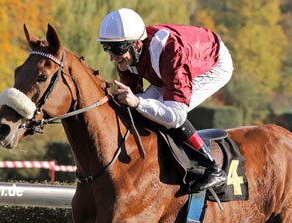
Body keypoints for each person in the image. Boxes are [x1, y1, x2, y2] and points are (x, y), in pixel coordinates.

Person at [98, 8, 234, 193]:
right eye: (107, 48)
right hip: (170, 69)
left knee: (165, 114)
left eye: (116, 49)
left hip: (211, 64)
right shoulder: (128, 56)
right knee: (138, 108)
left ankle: (212, 167)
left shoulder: (170, 52)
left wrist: (138, 103)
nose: (112, 57)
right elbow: (132, 100)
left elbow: (176, 116)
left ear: (136, 44)